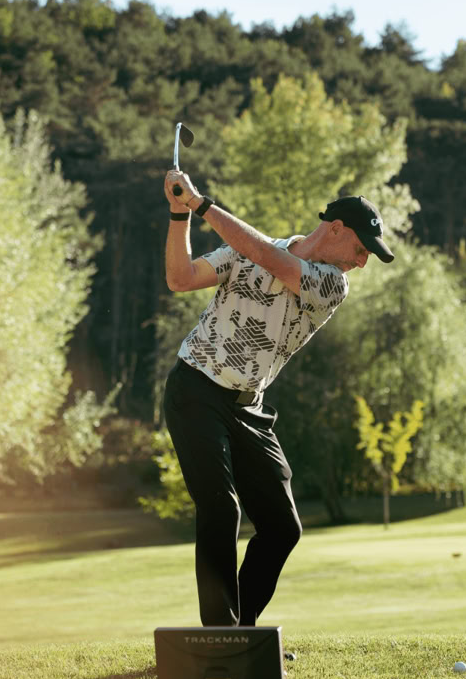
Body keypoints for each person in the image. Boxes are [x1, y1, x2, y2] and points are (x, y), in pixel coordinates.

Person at [161, 168, 394, 627]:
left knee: (282, 527)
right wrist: (178, 213)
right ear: (336, 229)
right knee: (220, 508)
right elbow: (180, 278)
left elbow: (271, 259)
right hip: (195, 389)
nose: (362, 262)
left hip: (248, 407)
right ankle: (222, 634)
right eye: (361, 249)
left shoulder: (331, 283)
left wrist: (200, 203)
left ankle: (244, 632)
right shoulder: (243, 251)